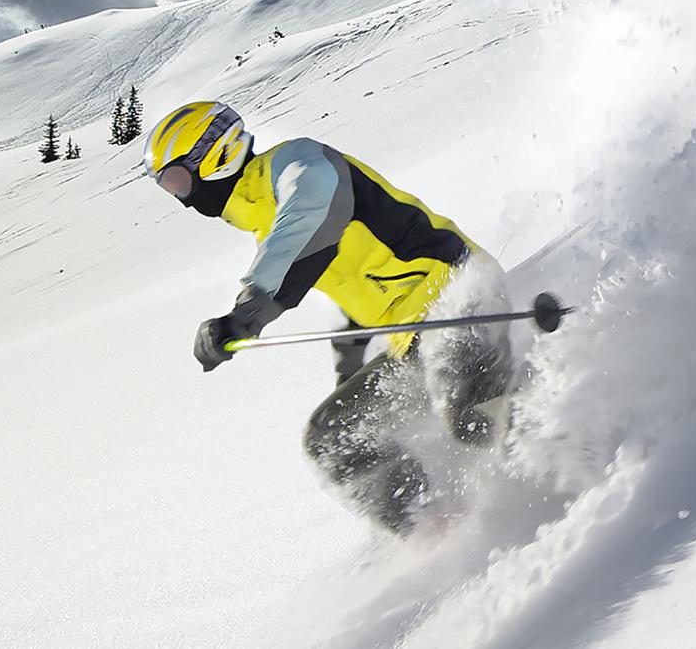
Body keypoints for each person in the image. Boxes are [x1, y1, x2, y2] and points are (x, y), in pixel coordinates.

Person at [143, 101, 512, 534]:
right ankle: (436, 531)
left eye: (178, 180)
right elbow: (352, 288)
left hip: (459, 297)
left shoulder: (297, 163)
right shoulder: (266, 220)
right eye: (169, 187)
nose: (182, 199)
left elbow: (313, 216)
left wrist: (247, 311)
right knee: (334, 437)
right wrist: (350, 368)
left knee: (468, 407)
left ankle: (558, 440)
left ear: (214, 154)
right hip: (412, 339)